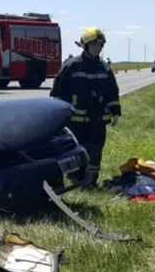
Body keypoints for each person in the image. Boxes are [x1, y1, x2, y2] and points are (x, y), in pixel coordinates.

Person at [50, 27, 120, 189]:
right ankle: (75, 179)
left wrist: (115, 112)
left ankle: (91, 182)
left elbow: (112, 91)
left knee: (95, 151)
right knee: (74, 152)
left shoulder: (104, 68)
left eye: (100, 45)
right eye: (95, 44)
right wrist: (57, 114)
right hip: (75, 121)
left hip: (97, 120)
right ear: (85, 45)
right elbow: (58, 91)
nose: (98, 48)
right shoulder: (72, 66)